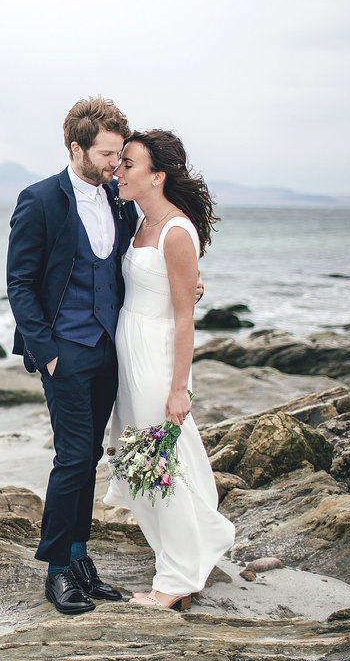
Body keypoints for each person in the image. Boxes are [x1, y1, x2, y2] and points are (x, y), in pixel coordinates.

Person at [6, 97, 137, 614]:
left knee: (89, 464)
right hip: (65, 350)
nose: (114, 163)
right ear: (76, 147)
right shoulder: (40, 200)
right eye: (106, 154)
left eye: (119, 154)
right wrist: (47, 351)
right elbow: (19, 283)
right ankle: (58, 570)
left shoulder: (119, 200)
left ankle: (81, 557)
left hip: (107, 349)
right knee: (73, 458)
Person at [103, 129, 235, 610]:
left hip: (157, 360)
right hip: (130, 356)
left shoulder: (177, 231)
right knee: (140, 462)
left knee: (159, 466)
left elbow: (185, 317)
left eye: (129, 164)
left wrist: (180, 389)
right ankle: (188, 552)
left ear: (157, 176)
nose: (119, 170)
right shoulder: (138, 224)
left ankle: (176, 581)